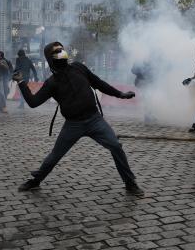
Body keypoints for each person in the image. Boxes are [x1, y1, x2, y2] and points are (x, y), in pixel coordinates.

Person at [14, 41, 143, 196]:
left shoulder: (78, 68)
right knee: (55, 156)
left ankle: (130, 183)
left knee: (115, 146)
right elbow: (33, 102)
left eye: (61, 50)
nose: (61, 52)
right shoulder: (51, 83)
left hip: (94, 120)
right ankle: (35, 181)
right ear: (50, 58)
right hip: (73, 125)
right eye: (57, 51)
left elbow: (98, 83)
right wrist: (21, 83)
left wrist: (120, 94)